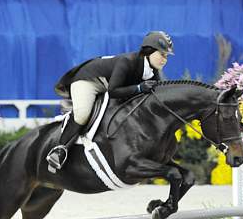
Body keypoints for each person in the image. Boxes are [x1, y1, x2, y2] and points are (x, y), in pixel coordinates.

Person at [46, 31, 174, 171]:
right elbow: (113, 92)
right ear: (150, 51)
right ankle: (59, 149)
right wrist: (139, 88)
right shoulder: (127, 61)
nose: (165, 59)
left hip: (109, 84)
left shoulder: (153, 71)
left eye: (166, 56)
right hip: (89, 80)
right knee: (83, 114)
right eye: (162, 54)